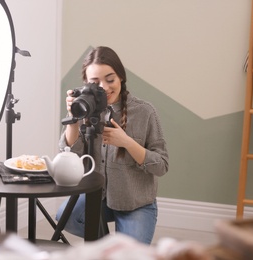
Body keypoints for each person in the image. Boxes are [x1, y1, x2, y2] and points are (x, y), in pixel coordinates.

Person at [56, 46, 169, 244]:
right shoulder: (84, 108)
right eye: (95, 82)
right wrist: (73, 119)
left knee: (130, 256)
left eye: (110, 79)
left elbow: (161, 165)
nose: (105, 88)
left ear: (121, 78)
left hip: (135, 203)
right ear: (86, 83)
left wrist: (126, 142)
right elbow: (69, 155)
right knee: (65, 216)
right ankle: (107, 248)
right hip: (96, 198)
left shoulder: (145, 112)